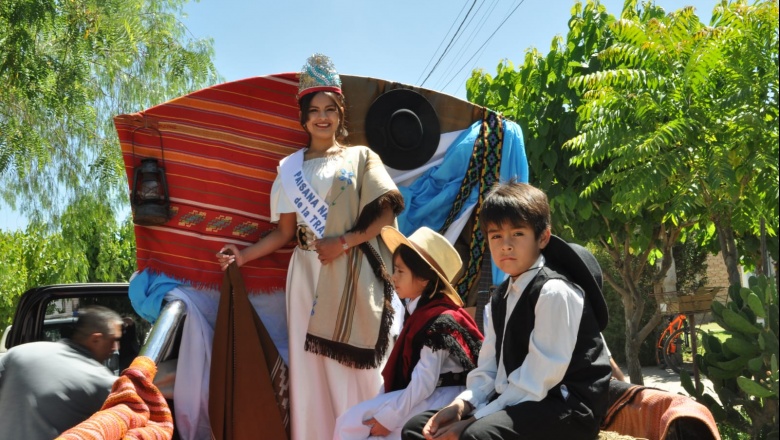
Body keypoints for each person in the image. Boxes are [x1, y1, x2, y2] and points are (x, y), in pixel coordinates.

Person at [216, 53, 404, 440]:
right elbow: (284, 233)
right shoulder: (289, 170)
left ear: (340, 114)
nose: (322, 117)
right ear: (303, 118)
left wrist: (344, 242)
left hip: (351, 269)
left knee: (357, 367)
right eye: (314, 110)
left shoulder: (361, 157)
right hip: (305, 274)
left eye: (330, 109)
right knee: (312, 369)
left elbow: (385, 215)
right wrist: (244, 255)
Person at [401, 181, 612, 440]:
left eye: (518, 234)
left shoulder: (554, 291)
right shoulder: (500, 296)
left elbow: (538, 380)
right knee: (418, 429)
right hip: (520, 400)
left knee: (477, 436)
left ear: (543, 237)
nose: (506, 245)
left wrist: (474, 420)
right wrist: (462, 405)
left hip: (566, 405)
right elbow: (490, 369)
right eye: (496, 236)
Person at [334, 226, 483, 440]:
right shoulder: (421, 311)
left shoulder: (439, 319)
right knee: (351, 423)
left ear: (424, 279)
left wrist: (389, 417)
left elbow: (425, 380)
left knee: (353, 426)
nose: (393, 277)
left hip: (445, 398)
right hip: (429, 394)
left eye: (400, 271)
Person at [0, 306, 123, 439]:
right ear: (95, 339)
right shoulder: (102, 380)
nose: (116, 348)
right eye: (113, 340)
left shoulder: (20, 353)